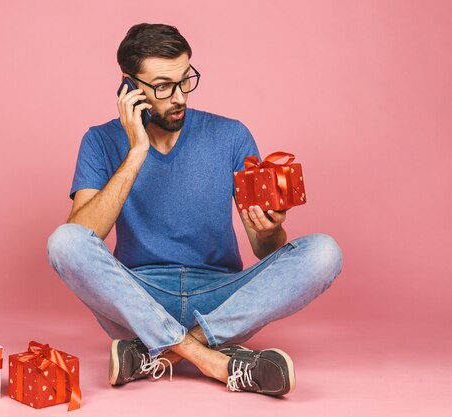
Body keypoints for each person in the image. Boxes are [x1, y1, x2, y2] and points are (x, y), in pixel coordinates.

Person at [47, 23, 343, 396]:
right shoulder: (100, 140)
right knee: (63, 242)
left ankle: (164, 353)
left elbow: (264, 249)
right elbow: (83, 234)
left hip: (223, 297)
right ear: (128, 86)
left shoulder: (231, 135)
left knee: (324, 252)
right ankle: (213, 361)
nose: (179, 97)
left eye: (185, 80)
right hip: (140, 298)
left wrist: (269, 229)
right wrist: (137, 149)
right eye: (162, 86)